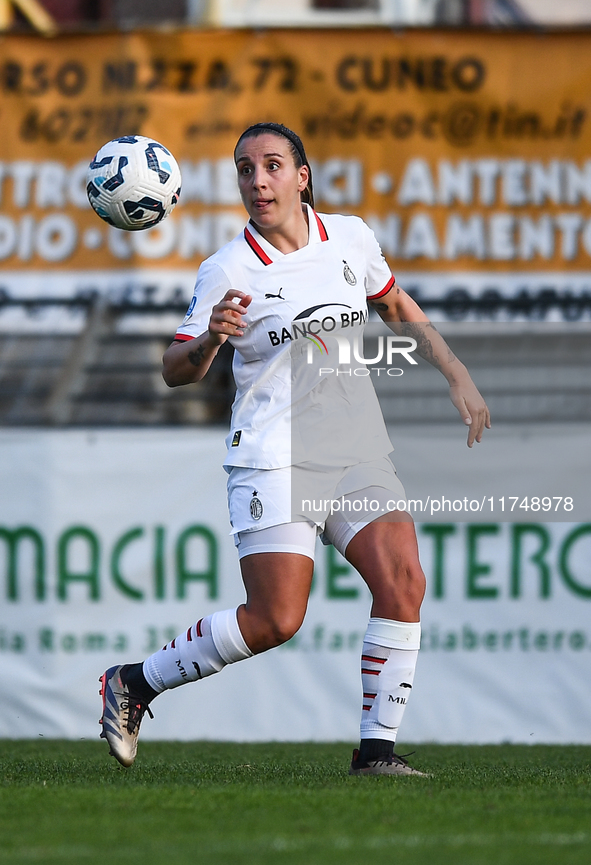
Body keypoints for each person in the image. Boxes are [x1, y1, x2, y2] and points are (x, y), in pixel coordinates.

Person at [99, 122, 490, 775]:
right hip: (272, 455)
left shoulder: (351, 236)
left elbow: (393, 302)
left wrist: (456, 373)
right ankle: (135, 681)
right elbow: (175, 367)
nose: (258, 181)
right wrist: (209, 340)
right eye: (246, 170)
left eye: (272, 165)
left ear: (301, 176)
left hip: (355, 448)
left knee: (403, 581)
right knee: (275, 618)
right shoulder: (228, 268)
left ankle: (375, 754)